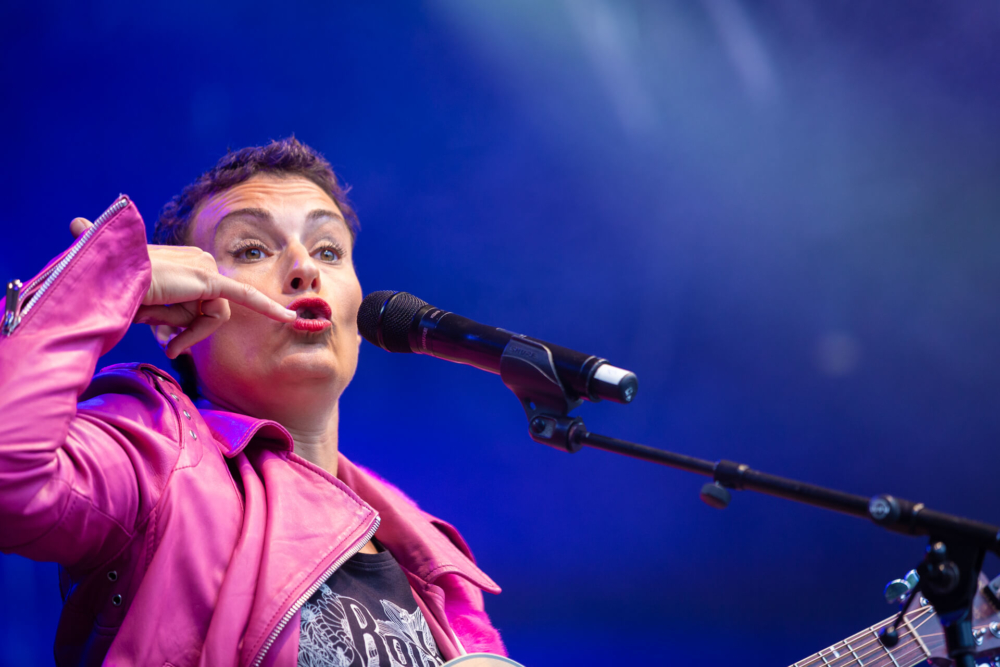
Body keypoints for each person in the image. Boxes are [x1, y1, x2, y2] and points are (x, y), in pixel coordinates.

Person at [0, 138, 506, 666]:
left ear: (358, 324)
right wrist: (106, 280)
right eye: (252, 249)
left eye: (328, 250)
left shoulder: (424, 550)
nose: (304, 268)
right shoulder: (155, 454)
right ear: (181, 312)